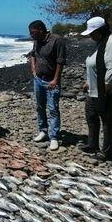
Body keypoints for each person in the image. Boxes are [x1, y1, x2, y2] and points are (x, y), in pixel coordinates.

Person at [80, 16, 112, 160]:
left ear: (101, 30)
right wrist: (88, 82)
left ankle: (107, 151)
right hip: (94, 90)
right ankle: (92, 144)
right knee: (91, 116)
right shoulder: (101, 42)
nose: (90, 36)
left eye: (92, 32)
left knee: (107, 121)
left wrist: (106, 89)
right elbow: (94, 65)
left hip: (107, 91)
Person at [28, 20, 67, 151]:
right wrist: (33, 70)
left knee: (53, 109)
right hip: (38, 79)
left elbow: (60, 61)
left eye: (33, 32)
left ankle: (54, 137)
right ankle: (43, 130)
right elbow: (33, 55)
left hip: (51, 80)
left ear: (40, 29)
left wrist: (56, 79)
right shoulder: (36, 41)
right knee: (40, 107)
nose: (31, 35)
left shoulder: (57, 40)